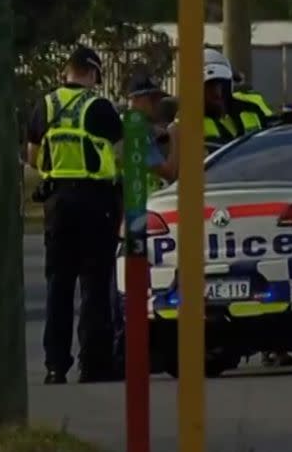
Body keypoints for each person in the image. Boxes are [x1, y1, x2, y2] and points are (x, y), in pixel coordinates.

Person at [27, 45, 121, 384]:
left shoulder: (45, 105)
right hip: (95, 202)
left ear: (65, 71)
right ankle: (93, 364)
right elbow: (121, 153)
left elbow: (32, 155)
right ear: (93, 73)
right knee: (94, 285)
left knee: (59, 285)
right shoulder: (99, 107)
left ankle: (55, 365)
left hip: (57, 203)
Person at [204, 51, 292, 368]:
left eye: (219, 85)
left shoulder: (252, 108)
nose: (215, 93)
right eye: (208, 86)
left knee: (272, 273)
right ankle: (218, 347)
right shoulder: (187, 120)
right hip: (215, 211)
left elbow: (283, 138)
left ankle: (277, 344)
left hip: (263, 205)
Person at [110, 75, 180, 376]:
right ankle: (131, 356)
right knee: (136, 292)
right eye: (151, 99)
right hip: (141, 216)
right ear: (137, 99)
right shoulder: (137, 131)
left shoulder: (130, 128)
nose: (156, 105)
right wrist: (177, 138)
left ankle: (130, 354)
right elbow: (169, 171)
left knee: (127, 291)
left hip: (131, 215)